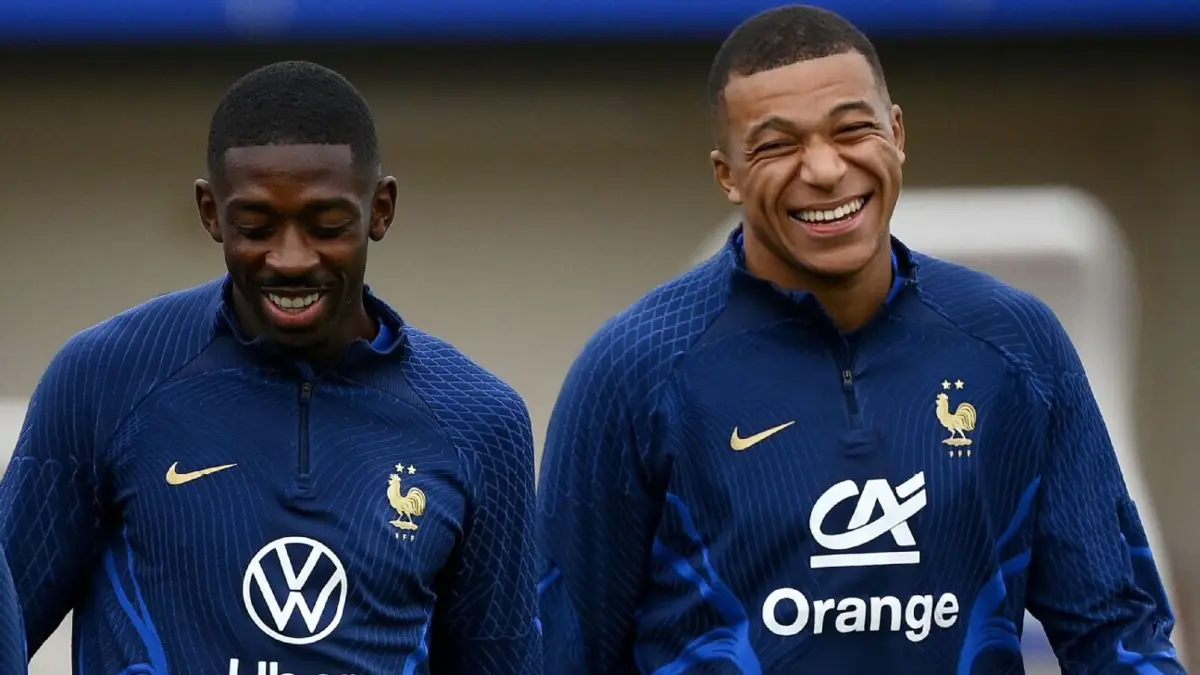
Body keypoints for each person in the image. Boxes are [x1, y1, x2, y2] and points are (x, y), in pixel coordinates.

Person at [536, 5, 1183, 674]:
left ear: (896, 133)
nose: (823, 168)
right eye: (776, 144)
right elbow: (557, 653)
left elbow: (1118, 633)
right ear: (726, 173)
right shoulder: (636, 369)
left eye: (852, 129)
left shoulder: (1017, 344)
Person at [0, 61, 540, 674]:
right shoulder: (104, 379)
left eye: (327, 226)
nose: (289, 259)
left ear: (381, 210)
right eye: (254, 226)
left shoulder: (480, 422)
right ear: (210, 212)